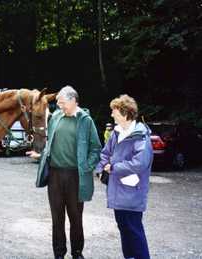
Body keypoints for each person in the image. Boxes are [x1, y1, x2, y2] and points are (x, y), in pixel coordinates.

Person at [27, 86, 101, 259]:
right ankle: (59, 254)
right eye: (58, 103)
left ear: (73, 100)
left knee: (76, 218)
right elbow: (50, 144)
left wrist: (86, 167)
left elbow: (96, 149)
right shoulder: (56, 118)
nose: (59, 106)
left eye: (62, 103)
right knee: (56, 218)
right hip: (54, 176)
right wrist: (41, 155)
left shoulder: (85, 121)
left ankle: (77, 253)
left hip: (76, 176)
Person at [95, 94, 153, 259]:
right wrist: (101, 170)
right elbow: (105, 153)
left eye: (114, 111)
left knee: (134, 231)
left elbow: (140, 163)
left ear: (125, 113)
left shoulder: (141, 136)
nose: (112, 115)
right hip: (117, 190)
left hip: (132, 191)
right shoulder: (116, 133)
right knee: (124, 229)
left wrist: (114, 168)